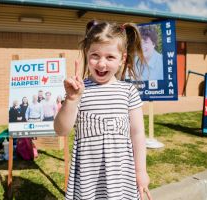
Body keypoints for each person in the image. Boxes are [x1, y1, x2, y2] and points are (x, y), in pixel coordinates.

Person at [54, 20, 152, 200]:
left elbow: (137, 134)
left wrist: (141, 171)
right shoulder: (78, 90)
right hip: (87, 181)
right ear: (86, 53)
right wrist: (72, 99)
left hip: (121, 181)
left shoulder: (128, 92)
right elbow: (61, 130)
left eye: (110, 57)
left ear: (122, 59)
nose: (101, 64)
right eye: (95, 55)